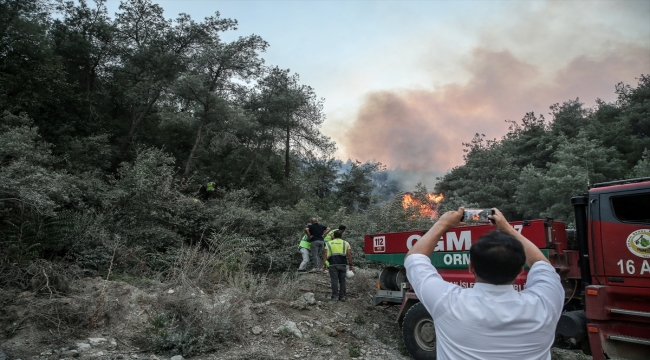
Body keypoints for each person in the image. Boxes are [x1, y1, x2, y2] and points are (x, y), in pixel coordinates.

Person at [404, 208, 564, 360]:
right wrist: (507, 228)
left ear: (471, 267)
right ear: (521, 270)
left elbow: (414, 258)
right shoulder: (546, 303)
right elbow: (541, 264)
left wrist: (443, 224)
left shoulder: (447, 302)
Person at [321, 230, 353, 301]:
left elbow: (325, 255)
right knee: (342, 281)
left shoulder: (329, 243)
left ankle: (334, 297)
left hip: (332, 264)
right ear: (341, 236)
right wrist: (351, 264)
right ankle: (342, 297)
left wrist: (324, 265)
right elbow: (349, 255)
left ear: (333, 236)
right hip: (343, 264)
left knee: (334, 280)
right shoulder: (346, 243)